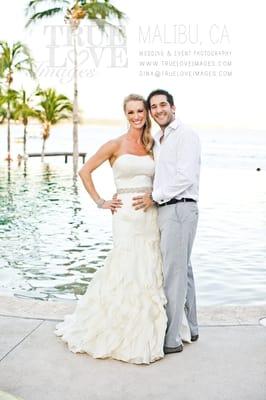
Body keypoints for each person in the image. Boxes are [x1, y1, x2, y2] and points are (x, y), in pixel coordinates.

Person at [55, 94, 189, 365]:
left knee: (151, 266)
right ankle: (118, 327)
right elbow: (85, 171)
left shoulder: (154, 144)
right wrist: (101, 201)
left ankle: (154, 329)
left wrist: (157, 196)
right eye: (131, 112)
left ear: (146, 113)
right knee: (126, 267)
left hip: (150, 214)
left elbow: (166, 176)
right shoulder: (115, 144)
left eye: (141, 111)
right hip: (125, 216)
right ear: (125, 115)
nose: (137, 116)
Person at [132, 89, 200, 354]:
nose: (158, 110)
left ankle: (171, 339)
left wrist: (154, 197)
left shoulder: (185, 135)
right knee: (184, 270)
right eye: (154, 107)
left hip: (179, 209)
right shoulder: (160, 138)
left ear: (173, 107)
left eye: (163, 105)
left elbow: (186, 177)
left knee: (174, 275)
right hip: (168, 210)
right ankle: (192, 327)